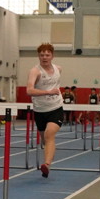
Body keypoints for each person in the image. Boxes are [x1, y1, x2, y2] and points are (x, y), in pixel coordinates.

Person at [26, 43, 63, 178]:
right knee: (45, 140)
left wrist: (53, 93)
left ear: (52, 56)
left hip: (56, 108)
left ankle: (46, 164)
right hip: (40, 110)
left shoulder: (58, 69)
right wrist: (48, 92)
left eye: (47, 55)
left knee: (49, 135)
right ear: (38, 56)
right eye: (42, 55)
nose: (44, 57)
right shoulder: (35, 71)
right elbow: (29, 90)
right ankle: (49, 151)